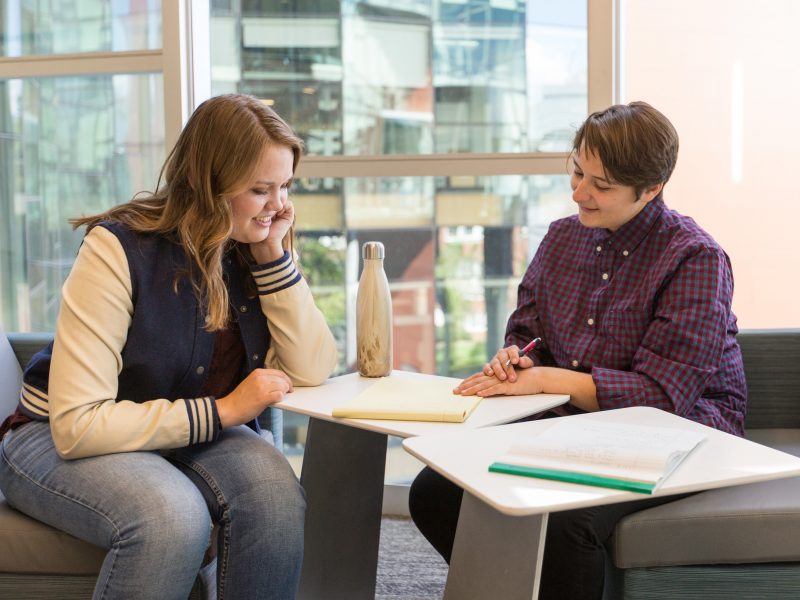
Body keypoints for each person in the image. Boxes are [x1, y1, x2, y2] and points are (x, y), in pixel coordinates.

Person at [0, 94, 337, 600]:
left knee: (275, 493)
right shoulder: (116, 248)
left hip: (176, 436)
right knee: (172, 516)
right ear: (209, 185)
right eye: (260, 189)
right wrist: (224, 410)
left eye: (286, 185)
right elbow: (77, 426)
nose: (281, 206)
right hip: (55, 437)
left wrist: (273, 258)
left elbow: (310, 370)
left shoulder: (253, 243)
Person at [409, 101, 747, 599]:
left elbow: (662, 398)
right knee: (434, 492)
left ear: (651, 188)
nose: (579, 192)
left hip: (684, 435)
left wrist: (545, 380)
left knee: (568, 523)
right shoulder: (563, 238)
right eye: (577, 172)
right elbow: (530, 333)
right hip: (574, 426)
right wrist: (517, 359)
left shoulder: (695, 258)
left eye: (601, 185)